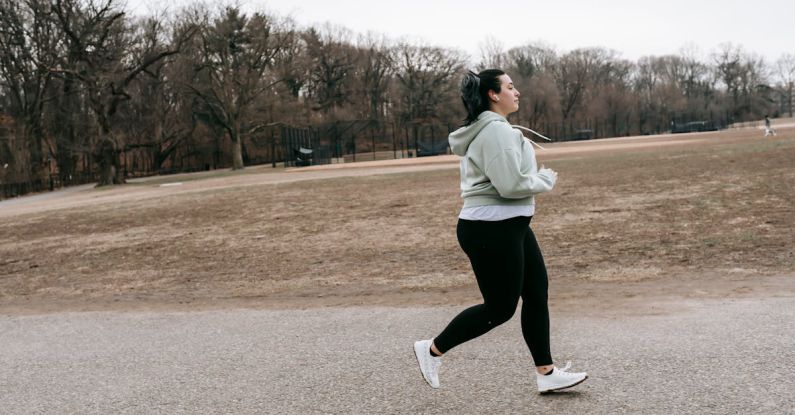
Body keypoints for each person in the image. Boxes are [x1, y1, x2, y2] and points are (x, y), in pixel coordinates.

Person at [413, 69, 588, 393]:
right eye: (510, 87)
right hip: (490, 227)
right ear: (493, 95)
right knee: (500, 308)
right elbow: (509, 185)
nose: (516, 91)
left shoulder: (496, 128)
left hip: (510, 224)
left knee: (536, 292)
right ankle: (432, 349)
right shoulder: (494, 131)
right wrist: (545, 180)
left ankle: (546, 374)